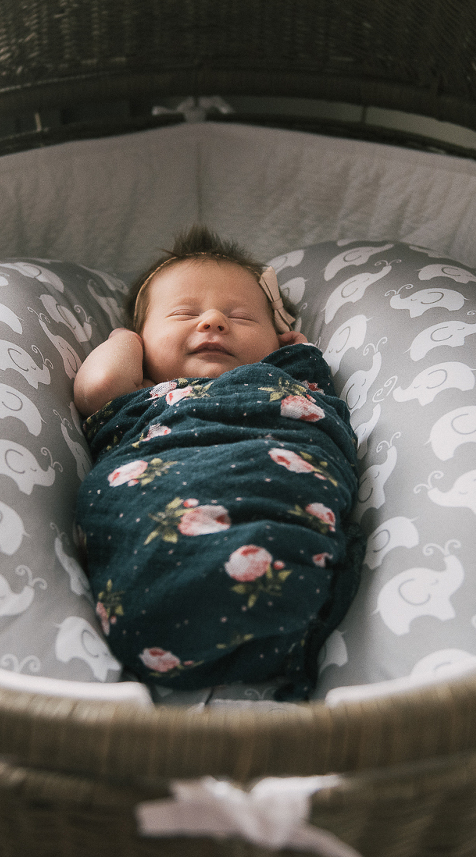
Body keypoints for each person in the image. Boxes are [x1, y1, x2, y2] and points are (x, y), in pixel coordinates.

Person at [73, 226, 363, 698]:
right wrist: (126, 335)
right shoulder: (139, 397)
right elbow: (97, 386)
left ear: (283, 341)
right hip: (157, 511)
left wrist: (292, 351)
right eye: (183, 314)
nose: (213, 322)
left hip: (280, 496)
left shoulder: (293, 376)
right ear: (140, 345)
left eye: (241, 317)